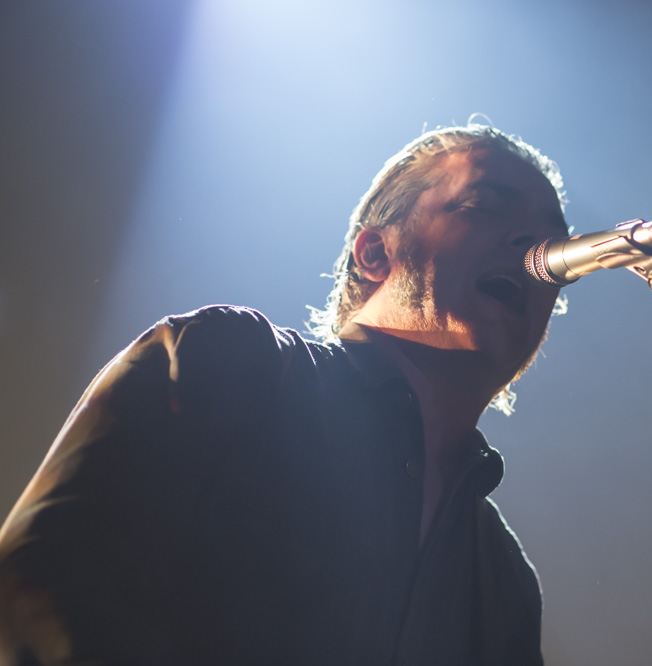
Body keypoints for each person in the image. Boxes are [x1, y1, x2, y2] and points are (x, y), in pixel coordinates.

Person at [0, 124, 569, 664]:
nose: (535, 243)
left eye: (554, 239)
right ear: (375, 254)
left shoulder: (504, 580)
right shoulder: (232, 360)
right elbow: (40, 580)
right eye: (486, 205)